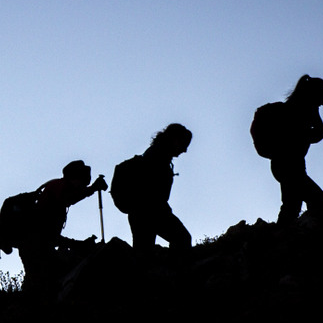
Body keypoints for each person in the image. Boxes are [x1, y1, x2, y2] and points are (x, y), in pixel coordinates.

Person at [13, 160, 107, 293]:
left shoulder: (57, 190)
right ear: (74, 178)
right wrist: (92, 189)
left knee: (39, 282)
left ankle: (22, 307)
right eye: (81, 183)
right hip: (34, 245)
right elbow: (69, 199)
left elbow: (50, 235)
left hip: (36, 245)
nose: (81, 187)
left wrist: (77, 244)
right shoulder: (58, 186)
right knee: (42, 284)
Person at [254, 75, 323, 224]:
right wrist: (313, 116)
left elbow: (318, 134)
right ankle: (296, 236)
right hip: (287, 165)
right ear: (312, 95)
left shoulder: (298, 113)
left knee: (292, 205)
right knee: (316, 200)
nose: (321, 104)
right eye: (321, 98)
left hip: (290, 166)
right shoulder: (294, 114)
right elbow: (318, 133)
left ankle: (284, 237)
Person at [113, 123, 193, 254]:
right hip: (150, 212)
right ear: (174, 139)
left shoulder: (156, 154)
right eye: (184, 144)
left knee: (143, 254)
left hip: (140, 213)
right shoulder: (157, 156)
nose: (185, 150)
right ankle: (178, 272)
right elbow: (152, 191)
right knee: (182, 238)